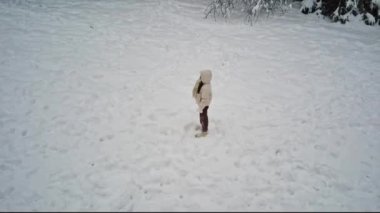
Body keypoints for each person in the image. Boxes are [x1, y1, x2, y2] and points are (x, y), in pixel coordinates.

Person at [192, 70, 212, 137]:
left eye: (201, 76)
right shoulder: (203, 83)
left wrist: (201, 107)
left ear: (205, 78)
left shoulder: (206, 88)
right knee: (201, 115)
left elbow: (205, 100)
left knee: (204, 116)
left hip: (204, 105)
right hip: (201, 104)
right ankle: (202, 125)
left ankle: (204, 131)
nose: (200, 77)